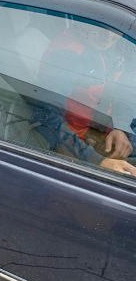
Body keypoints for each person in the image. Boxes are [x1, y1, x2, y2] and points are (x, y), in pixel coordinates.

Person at [32, 20, 136, 177]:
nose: (107, 36)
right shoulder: (66, 55)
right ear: (84, 22)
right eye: (101, 26)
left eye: (116, 28)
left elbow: (123, 91)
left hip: (106, 129)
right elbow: (45, 116)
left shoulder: (120, 48)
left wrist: (122, 128)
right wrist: (98, 161)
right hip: (75, 139)